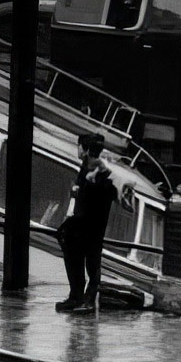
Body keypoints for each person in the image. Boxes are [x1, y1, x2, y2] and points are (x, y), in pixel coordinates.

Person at [55, 132, 118, 312]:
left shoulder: (94, 171)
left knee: (82, 256)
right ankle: (83, 297)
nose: (78, 150)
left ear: (85, 149)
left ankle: (80, 298)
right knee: (90, 259)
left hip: (88, 224)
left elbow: (92, 198)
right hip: (91, 225)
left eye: (79, 146)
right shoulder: (94, 169)